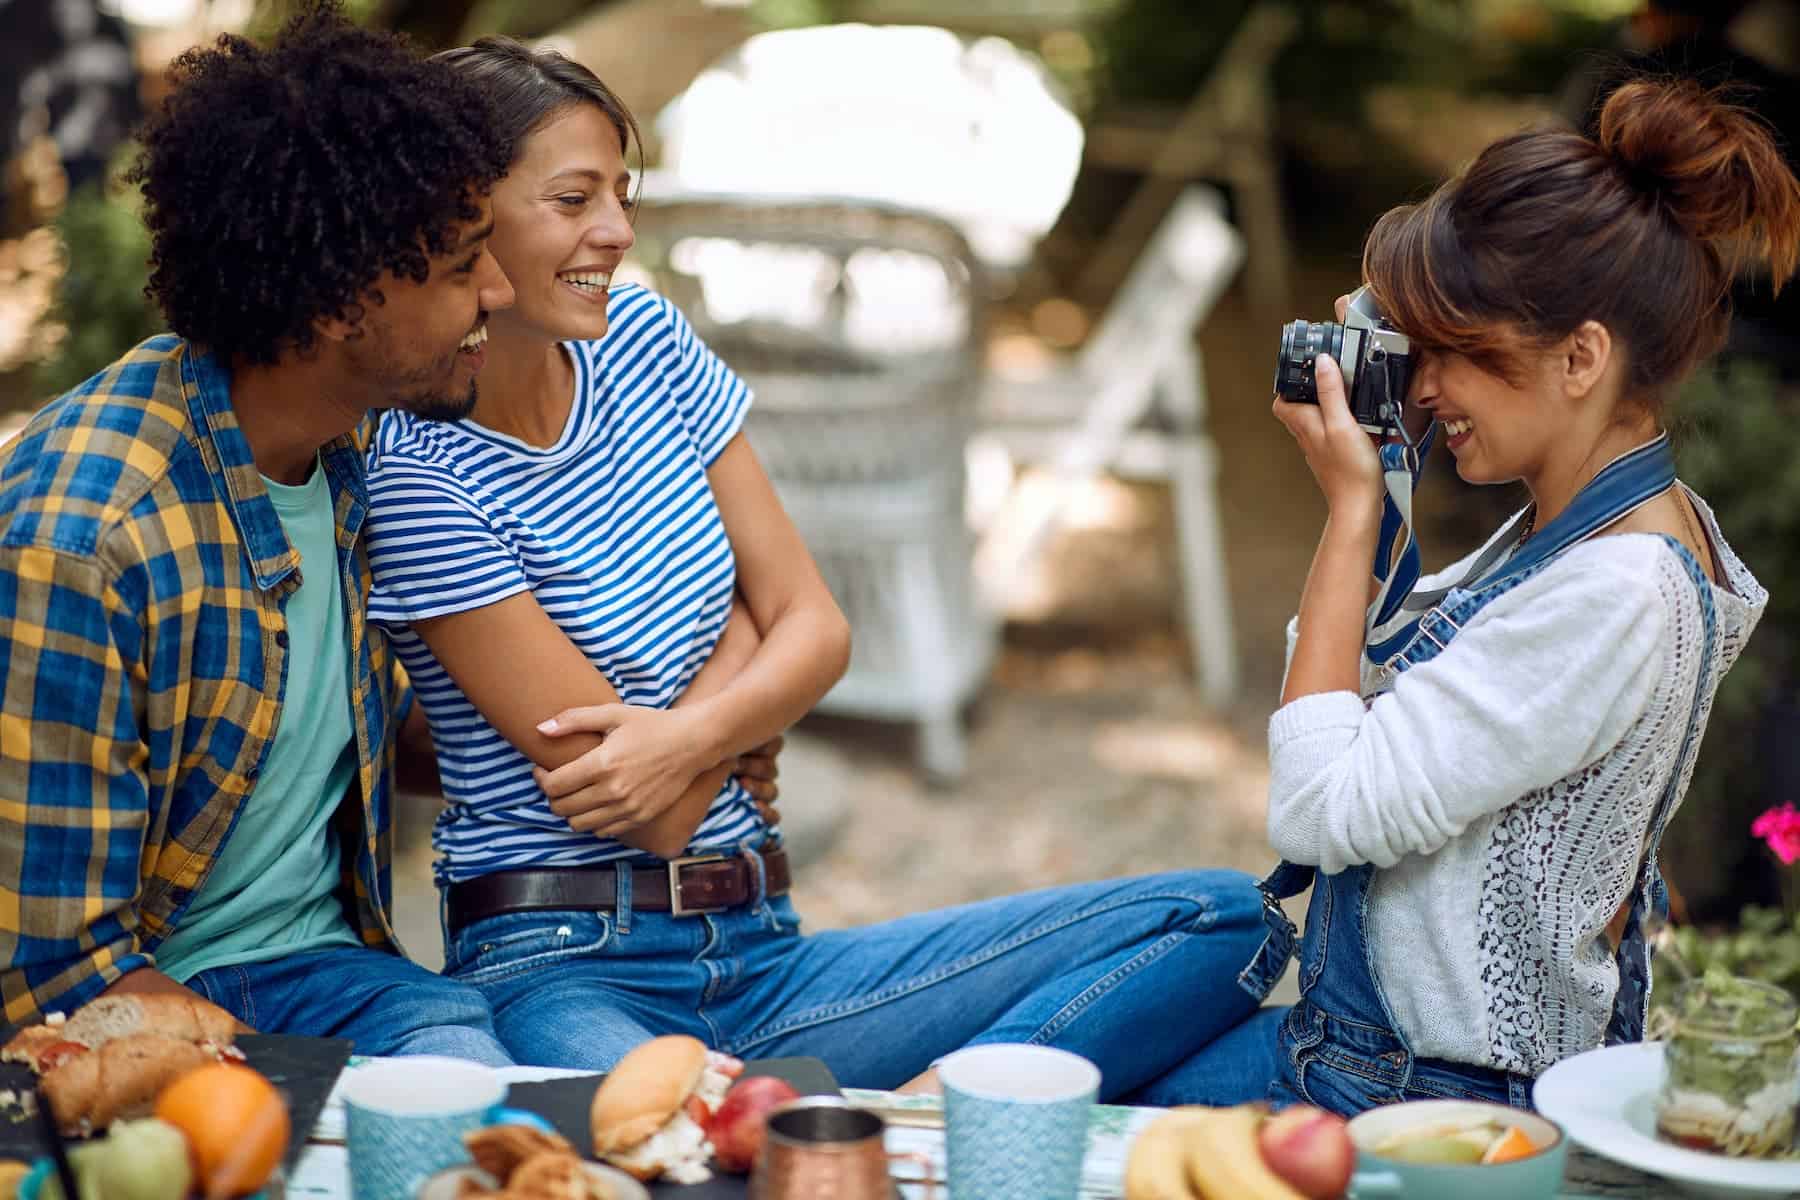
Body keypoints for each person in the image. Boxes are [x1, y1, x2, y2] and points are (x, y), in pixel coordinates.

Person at [359, 35, 1274, 1099]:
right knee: (683, 1151)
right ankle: (865, 1135)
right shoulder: (420, 473)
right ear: (468, 220)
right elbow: (642, 804)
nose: (613, 231)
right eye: (572, 200)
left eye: (621, 193)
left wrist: (702, 725)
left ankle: (926, 1117)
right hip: (564, 969)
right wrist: (755, 669)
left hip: (763, 948)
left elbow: (821, 627)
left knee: (1224, 920)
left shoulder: (645, 339)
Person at [1138, 76, 1797, 1113]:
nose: (1427, 385)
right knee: (1102, 988)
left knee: (1070, 1097)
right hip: (1378, 1061)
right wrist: (1381, 467)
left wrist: (1352, 514)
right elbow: (1362, 675)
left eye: (1457, 350)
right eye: (1420, 347)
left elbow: (1319, 805)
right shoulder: (1584, 534)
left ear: (1582, 357)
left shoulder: (1615, 590)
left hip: (1422, 1100)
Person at [0, 5, 521, 1063]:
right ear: (340, 300)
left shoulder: (349, 447)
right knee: (456, 1085)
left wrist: (682, 743)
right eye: (465, 265)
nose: (498, 293)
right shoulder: (85, 539)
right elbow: (47, 970)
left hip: (332, 965)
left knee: (473, 1070)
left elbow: (364, 734)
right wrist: (284, 1086)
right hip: (147, 1008)